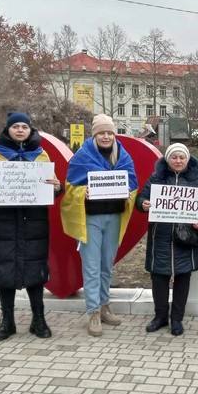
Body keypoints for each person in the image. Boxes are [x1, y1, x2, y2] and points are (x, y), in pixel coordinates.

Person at [0, 112, 62, 341]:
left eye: (24, 126)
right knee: (4, 270)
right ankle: (7, 321)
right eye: (15, 127)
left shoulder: (40, 154)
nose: (20, 130)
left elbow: (54, 183)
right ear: (8, 129)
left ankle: (38, 319)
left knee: (35, 270)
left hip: (33, 221)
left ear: (31, 130)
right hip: (3, 222)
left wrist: (57, 186)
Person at [61, 114, 138, 337]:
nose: (106, 136)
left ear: (114, 134)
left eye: (109, 132)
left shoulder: (123, 156)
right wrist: (82, 192)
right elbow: (70, 186)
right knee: (92, 266)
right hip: (91, 219)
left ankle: (104, 306)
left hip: (114, 216)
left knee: (107, 264)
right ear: (94, 135)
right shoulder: (82, 156)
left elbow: (132, 182)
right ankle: (93, 311)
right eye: (101, 133)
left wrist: (127, 192)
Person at [136, 143, 198, 336]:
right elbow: (141, 198)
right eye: (174, 157)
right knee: (158, 278)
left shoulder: (196, 180)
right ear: (168, 159)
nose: (178, 161)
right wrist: (143, 204)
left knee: (182, 279)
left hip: (185, 238)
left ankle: (176, 319)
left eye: (181, 157)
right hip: (160, 236)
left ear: (187, 159)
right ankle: (160, 317)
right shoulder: (156, 178)